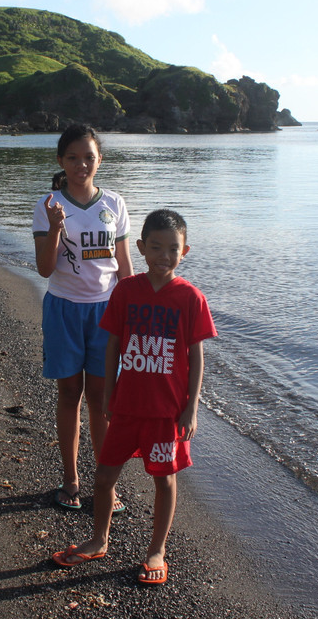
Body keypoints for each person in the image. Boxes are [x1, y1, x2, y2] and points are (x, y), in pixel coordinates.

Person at [51, 209, 216, 586]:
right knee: (105, 476)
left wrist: (191, 408)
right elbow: (112, 345)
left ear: (185, 251)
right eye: (155, 247)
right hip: (125, 408)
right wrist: (109, 393)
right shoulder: (126, 291)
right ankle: (98, 540)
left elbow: (196, 355)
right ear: (140, 248)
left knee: (164, 480)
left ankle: (157, 550)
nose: (163, 256)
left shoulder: (190, 298)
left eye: (172, 249)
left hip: (165, 413)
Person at [33, 123, 133, 512]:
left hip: (106, 314)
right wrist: (57, 227)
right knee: (69, 394)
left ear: (99, 160)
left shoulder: (115, 204)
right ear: (61, 160)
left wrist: (133, 317)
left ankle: (104, 484)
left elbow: (124, 268)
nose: (81, 165)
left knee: (102, 400)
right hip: (63, 310)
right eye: (72, 158)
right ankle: (71, 480)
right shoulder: (48, 205)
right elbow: (44, 269)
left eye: (88, 157)